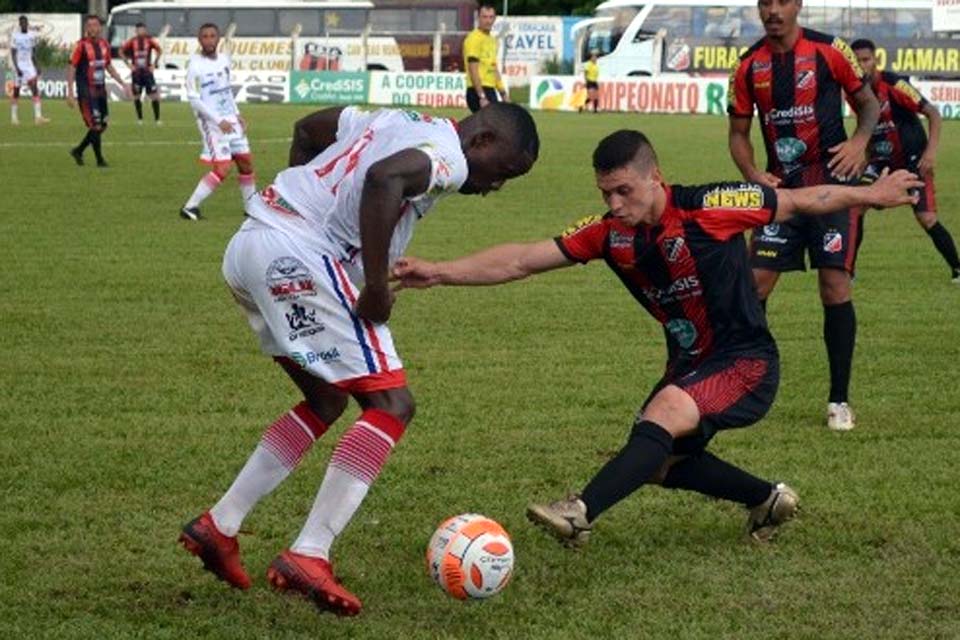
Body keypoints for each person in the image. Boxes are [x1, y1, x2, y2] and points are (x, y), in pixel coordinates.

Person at [393, 130, 923, 548]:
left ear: (655, 178)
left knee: (662, 415)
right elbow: (522, 259)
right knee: (659, 463)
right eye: (606, 193)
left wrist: (873, 195)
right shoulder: (610, 233)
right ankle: (766, 499)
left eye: (625, 190)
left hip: (745, 363)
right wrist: (438, 271)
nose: (616, 203)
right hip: (690, 365)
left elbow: (804, 200)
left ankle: (578, 513)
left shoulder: (709, 206)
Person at [178, 102, 539, 615]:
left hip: (250, 245)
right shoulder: (452, 158)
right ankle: (309, 553)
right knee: (392, 404)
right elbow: (383, 178)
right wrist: (372, 284)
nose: (494, 186)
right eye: (502, 172)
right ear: (481, 140)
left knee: (326, 400)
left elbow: (308, 130)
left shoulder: (397, 118)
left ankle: (220, 524)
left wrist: (305, 205)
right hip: (298, 253)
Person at [727, 0, 880, 432]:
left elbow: (868, 104)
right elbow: (738, 134)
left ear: (798, 5)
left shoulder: (830, 50)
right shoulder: (747, 66)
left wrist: (858, 143)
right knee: (754, 284)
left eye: (782, 1)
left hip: (833, 188)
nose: (773, 10)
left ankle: (839, 400)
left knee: (834, 285)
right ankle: (741, 382)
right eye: (765, 2)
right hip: (783, 194)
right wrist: (754, 174)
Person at [850, 39, 960, 284]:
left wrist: (930, 153)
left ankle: (957, 269)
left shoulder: (894, 84)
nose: (861, 65)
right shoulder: (853, 92)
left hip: (913, 161)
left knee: (927, 219)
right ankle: (849, 273)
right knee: (856, 207)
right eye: (855, 61)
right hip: (880, 162)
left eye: (865, 60)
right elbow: (865, 125)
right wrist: (864, 158)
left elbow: (933, 112)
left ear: (875, 60)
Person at [180, 23, 256, 221]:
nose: (209, 40)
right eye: (204, 36)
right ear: (199, 40)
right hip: (211, 121)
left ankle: (251, 208)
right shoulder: (195, 66)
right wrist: (218, 120)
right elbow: (194, 99)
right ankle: (190, 207)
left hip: (230, 118)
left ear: (218, 38)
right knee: (223, 168)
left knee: (245, 162)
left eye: (212, 36)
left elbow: (226, 89)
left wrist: (237, 113)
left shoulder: (224, 60)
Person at [66, 15, 130, 168]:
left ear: (100, 27)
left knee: (103, 125)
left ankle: (78, 150)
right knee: (95, 125)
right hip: (86, 91)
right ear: (86, 28)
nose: (93, 28)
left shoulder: (104, 45)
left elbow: (108, 66)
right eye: (90, 25)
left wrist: (122, 83)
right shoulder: (80, 46)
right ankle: (100, 160)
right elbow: (71, 67)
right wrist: (69, 92)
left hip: (100, 91)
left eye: (95, 25)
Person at [463, 4, 508, 112]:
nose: (488, 21)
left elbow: (493, 68)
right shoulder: (473, 39)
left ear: (495, 19)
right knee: (493, 124)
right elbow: (473, 68)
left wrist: (503, 93)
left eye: (491, 17)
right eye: (484, 17)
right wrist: (482, 96)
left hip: (490, 89)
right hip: (476, 90)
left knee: (494, 125)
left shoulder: (492, 41)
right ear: (478, 18)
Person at [9, 15, 49, 125]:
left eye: (25, 23)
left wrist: (37, 66)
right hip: (19, 65)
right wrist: (17, 68)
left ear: (27, 23)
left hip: (29, 66)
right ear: (19, 24)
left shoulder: (32, 36)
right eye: (22, 23)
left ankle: (38, 117)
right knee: (16, 91)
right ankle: (14, 118)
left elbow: (33, 53)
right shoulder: (15, 36)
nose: (24, 25)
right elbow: (13, 53)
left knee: (35, 89)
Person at [121, 22, 163, 126]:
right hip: (136, 74)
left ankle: (157, 120)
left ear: (145, 30)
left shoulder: (149, 40)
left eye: (142, 29)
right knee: (136, 96)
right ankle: (140, 119)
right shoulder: (132, 41)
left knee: (154, 95)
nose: (141, 31)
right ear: (136, 31)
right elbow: (121, 51)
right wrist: (128, 64)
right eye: (139, 30)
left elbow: (159, 50)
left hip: (147, 73)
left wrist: (154, 64)